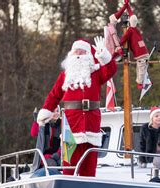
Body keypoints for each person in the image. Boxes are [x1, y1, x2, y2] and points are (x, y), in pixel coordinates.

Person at [37, 37, 117, 177]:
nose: (79, 55)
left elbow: (111, 70)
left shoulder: (96, 74)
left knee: (89, 166)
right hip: (70, 127)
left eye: (82, 52)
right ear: (71, 56)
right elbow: (54, 95)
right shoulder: (64, 76)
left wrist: (104, 55)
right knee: (70, 166)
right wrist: (46, 110)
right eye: (76, 52)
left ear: (89, 56)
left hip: (92, 125)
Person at [119, 2, 149, 89]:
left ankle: (141, 82)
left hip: (141, 53)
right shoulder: (135, 29)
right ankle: (141, 81)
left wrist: (118, 45)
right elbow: (132, 16)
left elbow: (124, 38)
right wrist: (127, 6)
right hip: (143, 52)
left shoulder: (131, 30)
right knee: (141, 67)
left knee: (141, 68)